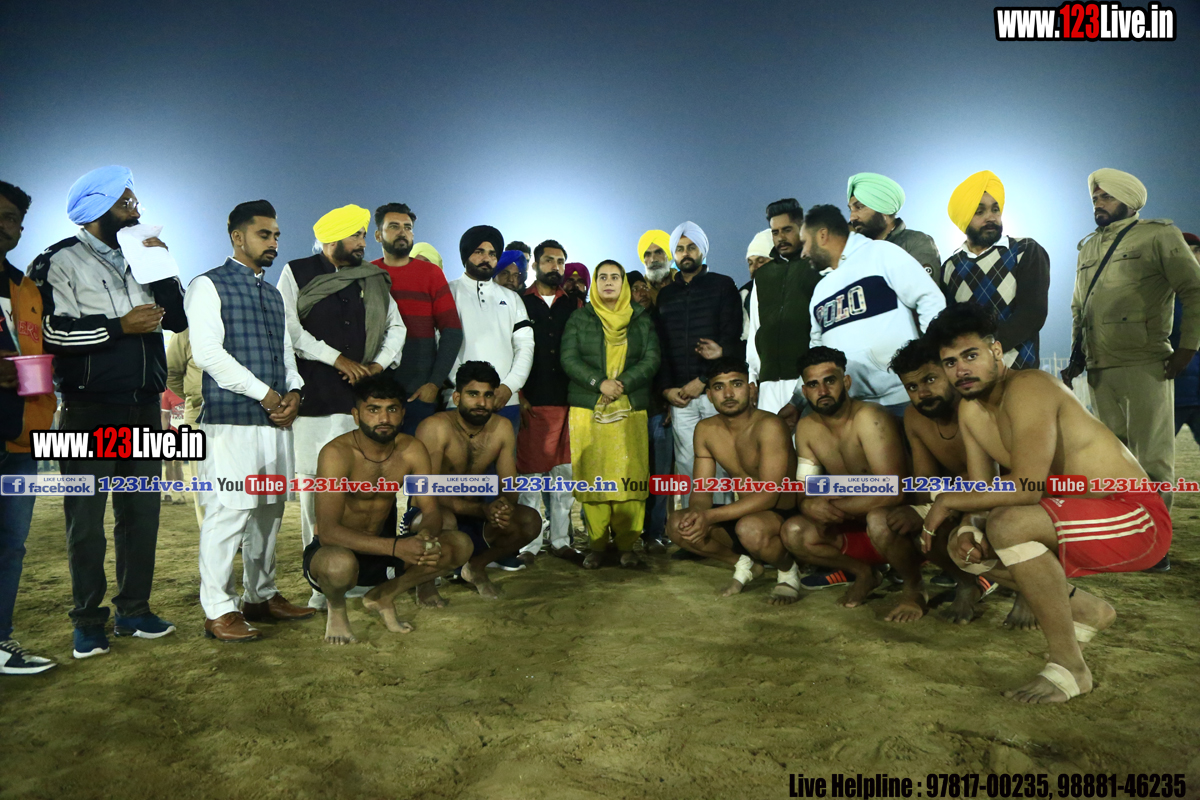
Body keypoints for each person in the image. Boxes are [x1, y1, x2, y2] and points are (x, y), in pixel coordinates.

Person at [923, 302, 1170, 703]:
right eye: (950, 362)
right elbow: (982, 489)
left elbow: (1027, 487)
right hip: (1073, 513)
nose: (961, 370)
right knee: (964, 549)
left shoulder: (1030, 387)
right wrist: (967, 524)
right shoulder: (970, 410)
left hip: (1136, 516)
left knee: (1008, 524)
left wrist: (948, 501)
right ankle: (1086, 610)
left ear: (996, 351)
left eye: (970, 356)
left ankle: (1070, 668)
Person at [28, 165, 186, 658]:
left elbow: (179, 320)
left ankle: (134, 611)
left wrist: (164, 269)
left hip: (144, 408)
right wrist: (119, 326)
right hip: (89, 410)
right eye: (126, 203)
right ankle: (87, 620)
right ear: (97, 209)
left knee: (141, 516)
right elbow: (50, 334)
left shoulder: (142, 255)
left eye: (135, 202)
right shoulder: (56, 261)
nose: (137, 211)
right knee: (86, 522)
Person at [187, 200, 316, 641]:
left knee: (268, 513)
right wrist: (266, 394)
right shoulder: (208, 285)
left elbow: (285, 353)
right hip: (231, 423)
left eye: (277, 235)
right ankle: (218, 609)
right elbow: (208, 354)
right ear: (237, 237)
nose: (274, 242)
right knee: (228, 513)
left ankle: (259, 596)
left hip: (274, 422)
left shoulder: (273, 293)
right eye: (265, 234)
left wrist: (294, 392)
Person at [1061, 169, 1200, 572]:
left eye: (1106, 196)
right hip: (1100, 366)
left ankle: (1156, 546)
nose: (1098, 203)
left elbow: (1193, 289)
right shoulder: (1088, 246)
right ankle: (1119, 537)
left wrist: (1188, 347)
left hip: (1144, 362)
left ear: (1129, 200)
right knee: (1109, 458)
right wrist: (1076, 355)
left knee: (1152, 459)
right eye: (1095, 197)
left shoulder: (1157, 235)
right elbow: (1079, 306)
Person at [278, 204, 407, 599]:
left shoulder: (372, 278)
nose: (362, 242)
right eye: (355, 235)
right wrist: (337, 359)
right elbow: (288, 328)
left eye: (364, 234)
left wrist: (376, 366)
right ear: (332, 238)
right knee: (315, 493)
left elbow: (397, 327)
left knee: (369, 489)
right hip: (315, 401)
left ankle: (367, 576)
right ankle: (321, 582)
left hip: (363, 406)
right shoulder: (296, 272)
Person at [306, 372, 470, 643]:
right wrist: (397, 547)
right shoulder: (336, 453)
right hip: (338, 551)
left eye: (392, 409)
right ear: (356, 415)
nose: (384, 418)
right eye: (373, 410)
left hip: (384, 553)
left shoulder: (412, 449)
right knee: (337, 564)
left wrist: (426, 537)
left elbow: (430, 510)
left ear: (402, 413)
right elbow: (328, 532)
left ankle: (384, 595)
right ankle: (336, 609)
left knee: (459, 545)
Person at [781, 347, 916, 615]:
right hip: (855, 525)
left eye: (829, 381)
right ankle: (864, 573)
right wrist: (808, 505)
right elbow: (807, 490)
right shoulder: (807, 428)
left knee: (879, 519)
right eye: (813, 385)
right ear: (805, 391)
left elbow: (894, 492)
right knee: (793, 531)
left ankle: (914, 585)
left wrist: (831, 505)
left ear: (846, 382)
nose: (822, 390)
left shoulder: (870, 418)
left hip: (897, 530)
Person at [884, 337, 1002, 624]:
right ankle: (962, 582)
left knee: (996, 518)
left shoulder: (978, 406)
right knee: (888, 521)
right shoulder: (914, 417)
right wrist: (936, 506)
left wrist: (949, 499)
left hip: (1003, 498)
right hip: (957, 500)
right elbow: (926, 484)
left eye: (930, 379)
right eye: (912, 387)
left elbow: (997, 481)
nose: (923, 393)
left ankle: (1025, 593)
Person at [666, 358, 802, 603]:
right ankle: (745, 564)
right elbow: (702, 490)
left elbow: (769, 495)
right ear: (709, 395)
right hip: (743, 516)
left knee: (749, 528)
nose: (728, 394)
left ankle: (788, 571)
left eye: (736, 384)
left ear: (751, 389)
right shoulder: (705, 429)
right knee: (678, 524)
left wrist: (709, 517)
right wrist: (697, 515)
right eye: (719, 387)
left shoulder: (770, 425)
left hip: (781, 516)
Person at [561, 260, 661, 568]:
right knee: (594, 478)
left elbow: (652, 358)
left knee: (631, 477)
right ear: (595, 283)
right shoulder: (580, 317)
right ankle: (597, 545)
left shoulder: (640, 318)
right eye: (602, 277)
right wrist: (599, 383)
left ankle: (627, 545)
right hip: (589, 406)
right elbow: (569, 358)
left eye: (615, 277)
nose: (608, 282)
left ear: (623, 284)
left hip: (630, 407)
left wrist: (622, 384)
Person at [801, 204, 945, 416]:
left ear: (822, 235)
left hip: (904, 397)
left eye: (805, 243)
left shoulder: (881, 252)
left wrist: (928, 359)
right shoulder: (820, 290)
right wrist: (797, 398)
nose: (803, 253)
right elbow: (817, 349)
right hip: (853, 407)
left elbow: (929, 299)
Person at [416, 361, 542, 598]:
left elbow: (509, 486)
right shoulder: (435, 427)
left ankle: (475, 567)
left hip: (477, 515)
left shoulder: (502, 427)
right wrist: (482, 509)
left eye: (488, 395)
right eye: (473, 394)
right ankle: (424, 580)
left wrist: (503, 506)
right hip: (433, 514)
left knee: (529, 521)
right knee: (442, 519)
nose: (482, 403)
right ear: (456, 397)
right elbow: (425, 492)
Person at [0, 180, 56, 674]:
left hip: (21, 437)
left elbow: (35, 355)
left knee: (10, 546)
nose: (5, 226)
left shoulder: (27, 287)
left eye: (13, 219)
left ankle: (0, 641)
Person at [656, 221, 744, 507]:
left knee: (720, 459)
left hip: (715, 391)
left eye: (691, 247)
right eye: (680, 248)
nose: (685, 253)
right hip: (680, 396)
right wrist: (667, 389)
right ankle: (694, 521)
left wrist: (704, 380)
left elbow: (731, 339)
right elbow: (662, 347)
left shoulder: (722, 285)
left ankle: (720, 523)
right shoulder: (666, 295)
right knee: (686, 462)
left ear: (702, 250)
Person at [939, 170, 1050, 370]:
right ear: (964, 217)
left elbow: (1032, 314)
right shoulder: (950, 268)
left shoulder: (1024, 250)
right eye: (979, 212)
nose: (990, 217)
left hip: (1018, 373)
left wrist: (986, 350)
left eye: (995, 210)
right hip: (970, 376)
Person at [371, 203, 463, 436]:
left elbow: (452, 331)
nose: (402, 232)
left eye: (408, 227)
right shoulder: (369, 274)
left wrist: (434, 383)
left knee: (419, 456)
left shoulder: (431, 274)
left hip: (419, 393)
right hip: (375, 392)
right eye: (394, 226)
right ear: (378, 235)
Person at [516, 240, 581, 563]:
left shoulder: (575, 305)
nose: (555, 266)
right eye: (548, 260)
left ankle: (560, 541)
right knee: (530, 479)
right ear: (535, 265)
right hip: (532, 402)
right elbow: (511, 350)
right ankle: (528, 545)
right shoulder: (519, 302)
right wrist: (517, 394)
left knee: (563, 478)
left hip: (568, 403)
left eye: (560, 261)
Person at [445, 226, 534, 435]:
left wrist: (509, 387)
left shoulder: (512, 298)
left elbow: (525, 346)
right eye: (479, 252)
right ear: (466, 254)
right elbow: (441, 345)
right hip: (459, 400)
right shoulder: (448, 292)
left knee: (503, 456)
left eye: (492, 254)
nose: (486, 258)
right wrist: (468, 390)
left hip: (504, 401)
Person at [749, 199, 823, 428]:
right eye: (775, 232)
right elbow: (755, 329)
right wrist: (752, 377)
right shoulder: (763, 276)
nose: (781, 237)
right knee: (772, 443)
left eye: (787, 230)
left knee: (810, 444)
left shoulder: (819, 268)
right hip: (769, 382)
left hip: (808, 378)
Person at [627, 268, 672, 552]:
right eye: (635, 288)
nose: (642, 292)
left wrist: (668, 399)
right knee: (632, 475)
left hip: (658, 408)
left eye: (644, 286)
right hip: (629, 411)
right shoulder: (618, 325)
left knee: (660, 476)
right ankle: (630, 532)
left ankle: (655, 532)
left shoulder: (662, 321)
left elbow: (669, 362)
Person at [846, 173, 941, 276]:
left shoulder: (915, 242)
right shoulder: (856, 252)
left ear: (884, 210)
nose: (852, 217)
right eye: (851, 210)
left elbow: (923, 285)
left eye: (859, 207)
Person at [166, 328, 205, 528]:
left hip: (242, 417)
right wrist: (195, 397)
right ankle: (211, 537)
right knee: (204, 490)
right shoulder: (184, 330)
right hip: (197, 420)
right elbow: (171, 373)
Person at [1172, 233, 1200, 449]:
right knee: (1151, 458)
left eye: (1196, 251)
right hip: (1172, 392)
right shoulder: (1159, 297)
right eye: (1185, 252)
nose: (1192, 257)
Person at [741, 228, 773, 341]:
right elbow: (746, 336)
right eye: (750, 263)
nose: (754, 268)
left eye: (761, 261)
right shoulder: (745, 295)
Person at [636, 229, 676, 305]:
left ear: (668, 255)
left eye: (658, 253)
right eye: (648, 255)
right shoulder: (639, 292)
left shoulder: (685, 281)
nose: (653, 260)